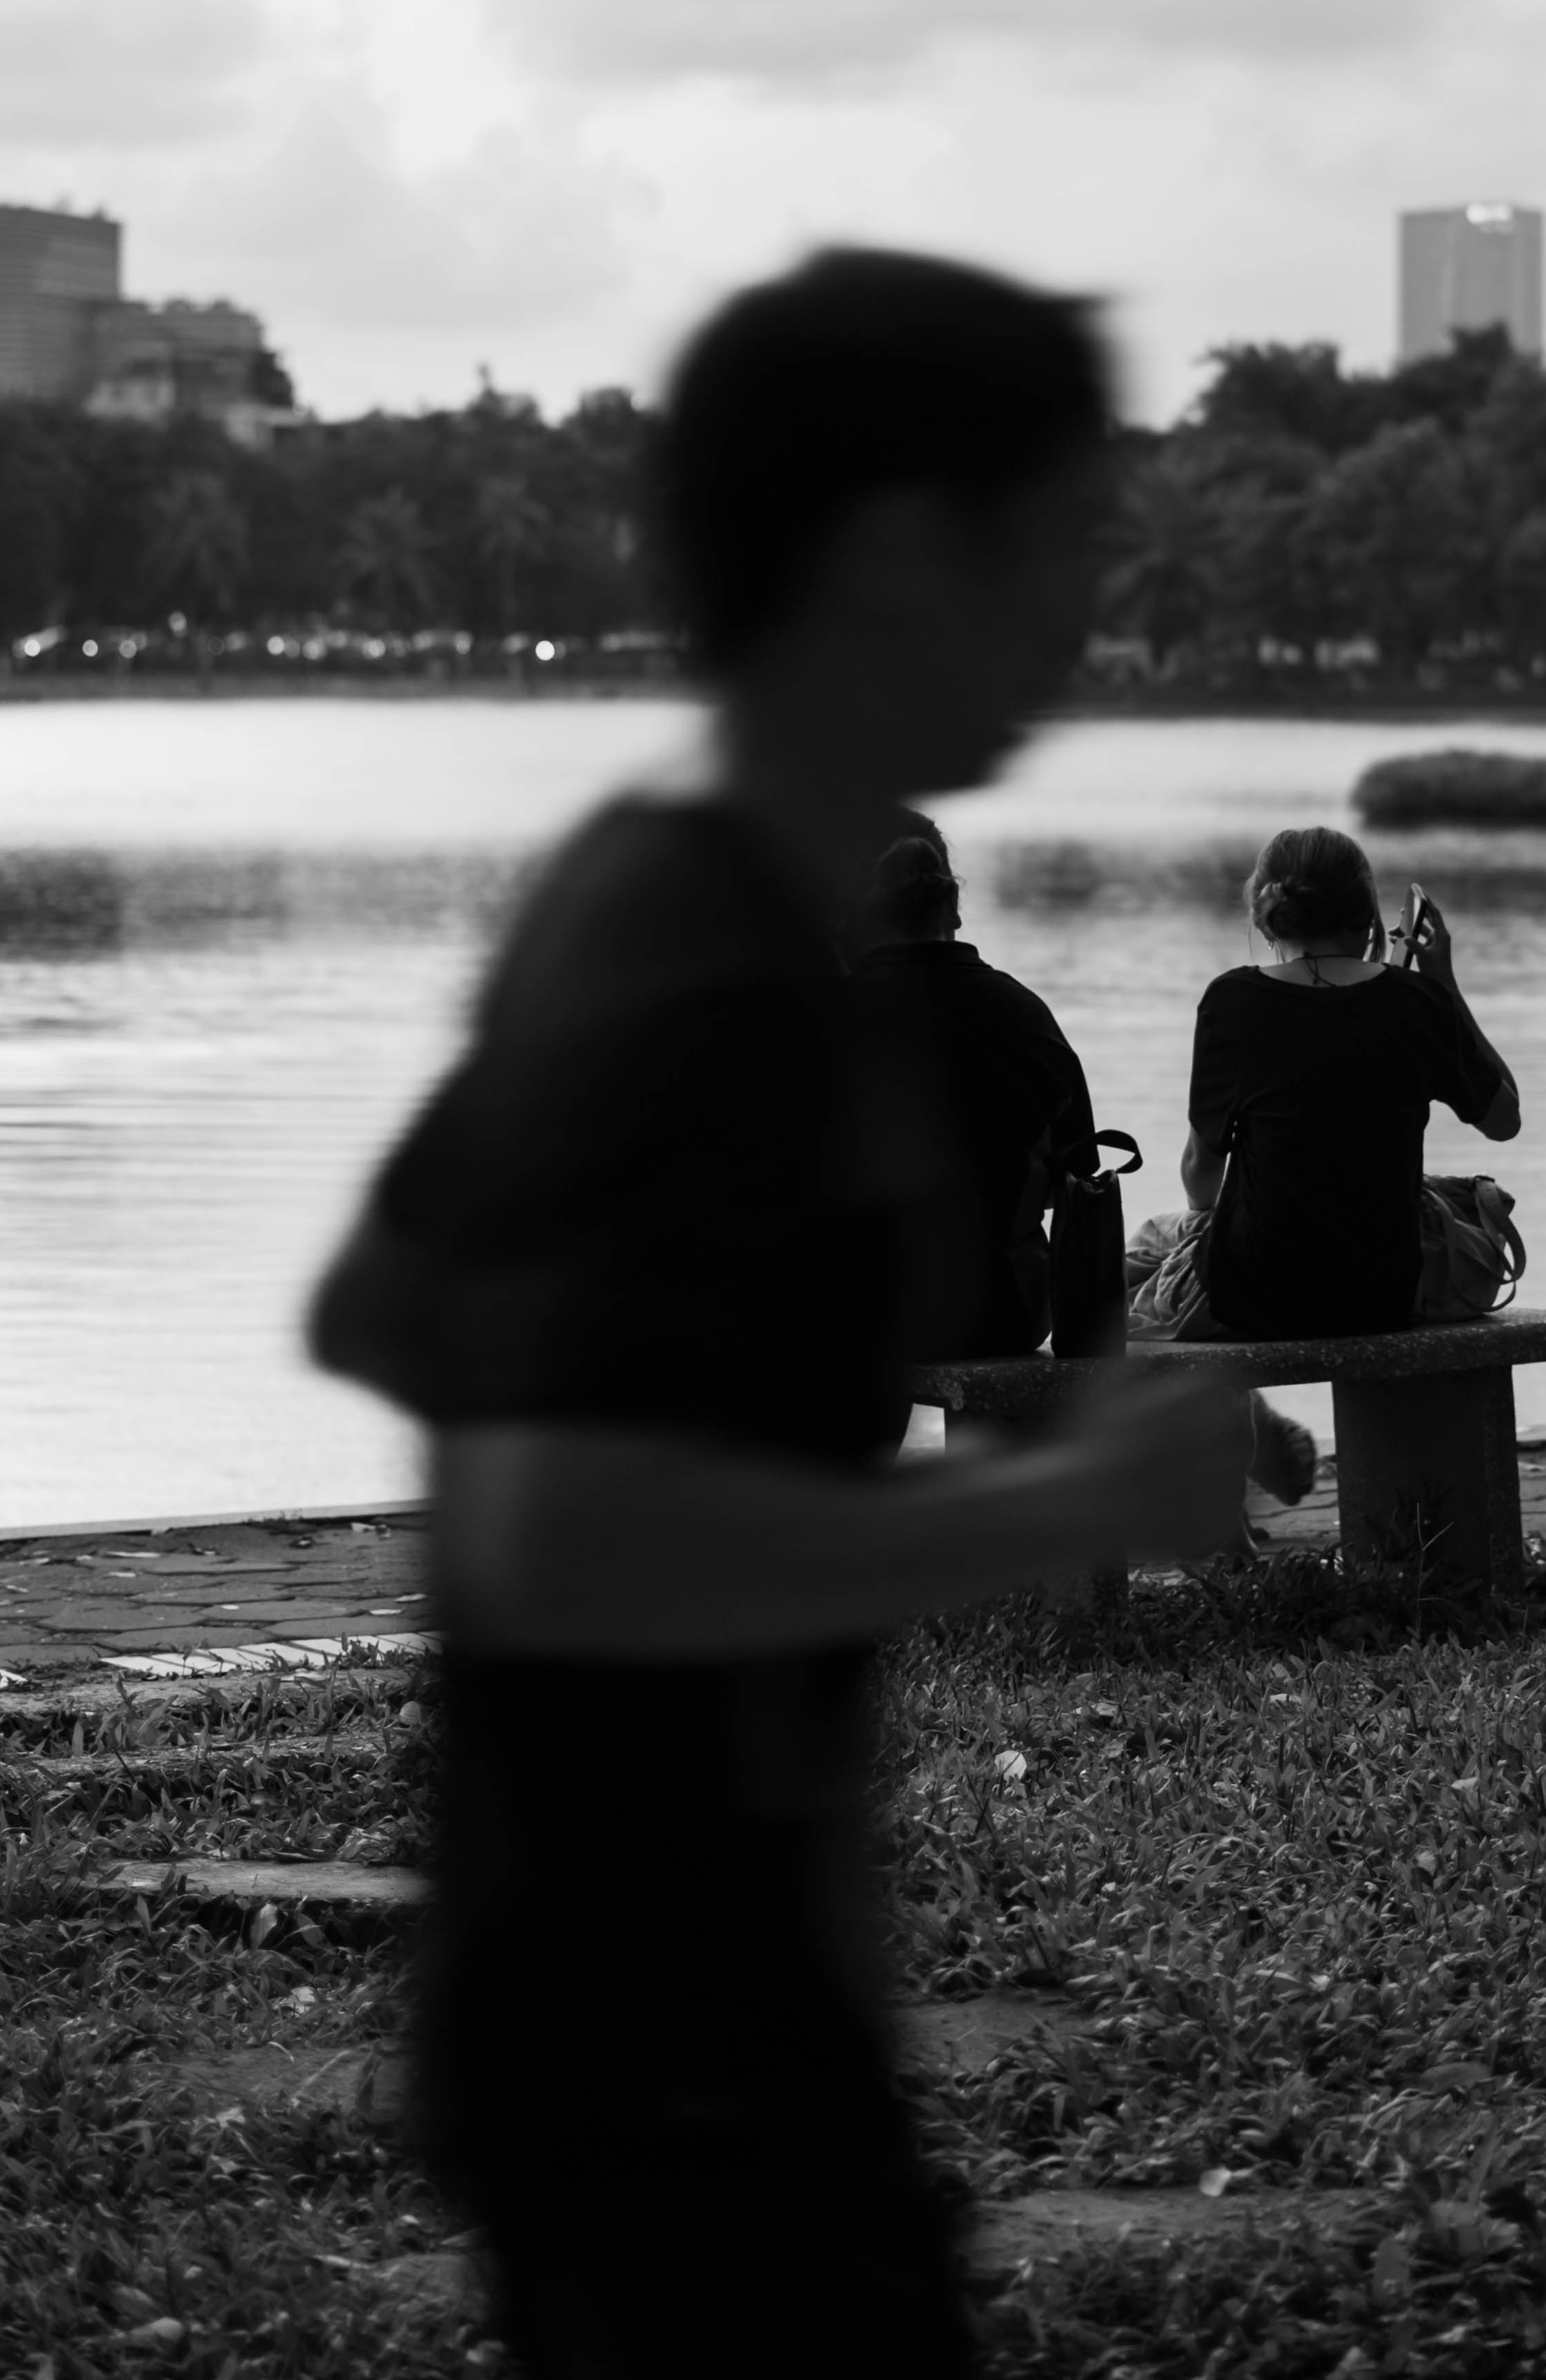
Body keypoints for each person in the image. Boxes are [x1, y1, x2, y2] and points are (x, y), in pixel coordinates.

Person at [305, 249, 1249, 2380]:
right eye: (1069, 537)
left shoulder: (659, 884)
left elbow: (386, 1305)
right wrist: (1053, 1498)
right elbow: (560, 1531)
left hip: (679, 1983)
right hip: (660, 2030)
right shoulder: (707, 969)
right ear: (908, 552)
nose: (1094, 603)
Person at [1180, 824, 1522, 1337]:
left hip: (1255, 1292)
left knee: (1152, 1241)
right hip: (1379, 1295)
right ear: (1368, 913)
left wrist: (1202, 1220)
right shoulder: (1416, 1001)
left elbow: (1200, 1172)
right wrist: (1442, 985)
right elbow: (1504, 1120)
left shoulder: (1232, 1001)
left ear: (1268, 916)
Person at [846, 814, 1104, 1358]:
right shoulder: (1024, 1014)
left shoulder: (825, 1012)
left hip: (862, 1316)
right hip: (1000, 1313)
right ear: (954, 910)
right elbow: (1077, 1177)